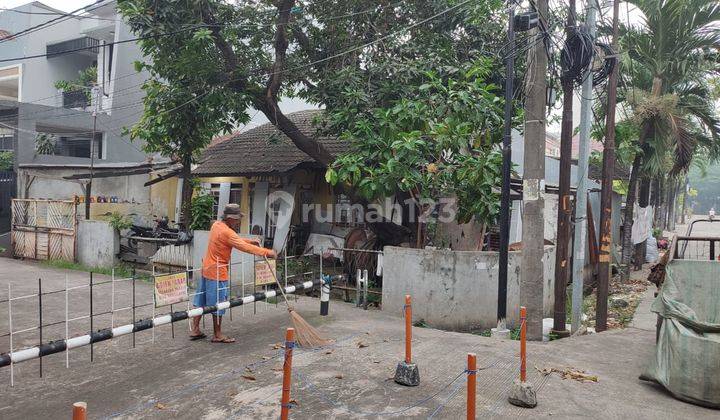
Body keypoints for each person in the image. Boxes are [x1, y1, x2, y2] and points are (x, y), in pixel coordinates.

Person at [190, 203, 276, 343]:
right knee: (219, 304)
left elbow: (234, 240)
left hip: (206, 268)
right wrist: (268, 252)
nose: (238, 222)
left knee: (200, 300)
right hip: (218, 272)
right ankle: (217, 335)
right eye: (236, 219)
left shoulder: (216, 225)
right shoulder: (227, 232)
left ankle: (195, 329)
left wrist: (250, 241)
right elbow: (242, 247)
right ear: (230, 218)